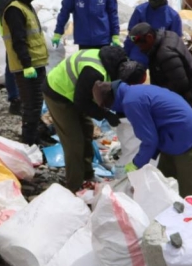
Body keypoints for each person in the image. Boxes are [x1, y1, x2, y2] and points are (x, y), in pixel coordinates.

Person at [94, 68, 192, 197]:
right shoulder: (133, 92)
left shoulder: (131, 102)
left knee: (189, 189)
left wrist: (136, 163)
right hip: (172, 137)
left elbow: (149, 140)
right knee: (163, 181)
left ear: (110, 101)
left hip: (185, 137)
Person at [43, 45, 128, 192]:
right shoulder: (94, 72)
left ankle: (88, 174)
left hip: (75, 91)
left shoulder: (109, 62)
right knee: (74, 141)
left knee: (87, 130)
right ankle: (73, 187)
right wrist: (105, 115)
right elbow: (81, 102)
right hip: (58, 93)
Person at [1, 0, 50, 146]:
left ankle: (36, 138)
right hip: (27, 67)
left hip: (36, 64)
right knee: (31, 106)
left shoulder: (24, 4)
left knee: (36, 104)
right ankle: (30, 143)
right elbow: (18, 40)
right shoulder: (15, 9)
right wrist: (27, 64)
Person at [128, 22, 192, 112]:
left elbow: (180, 84)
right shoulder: (168, 35)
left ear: (149, 37)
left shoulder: (165, 54)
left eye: (140, 45)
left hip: (188, 104)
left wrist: (155, 94)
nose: (140, 49)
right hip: (190, 97)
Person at [123, 0, 182, 66]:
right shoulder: (140, 11)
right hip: (139, 57)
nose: (151, 2)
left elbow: (176, 43)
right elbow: (131, 37)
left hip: (161, 60)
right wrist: (126, 53)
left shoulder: (173, 17)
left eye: (154, 0)